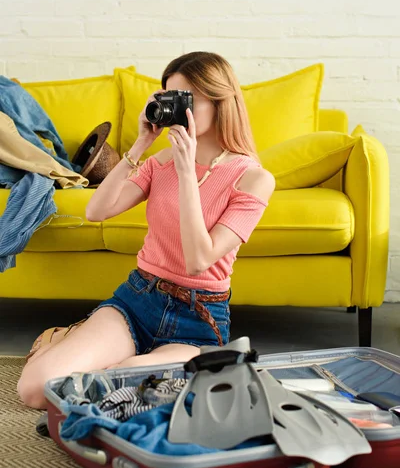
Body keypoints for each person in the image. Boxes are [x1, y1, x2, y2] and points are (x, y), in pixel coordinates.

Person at [17, 51, 275, 410]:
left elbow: (199, 259)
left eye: (186, 100)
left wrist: (188, 174)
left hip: (197, 319)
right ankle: (90, 354)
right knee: (34, 389)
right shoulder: (161, 161)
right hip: (137, 299)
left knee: (123, 380)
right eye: (169, 98)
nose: (175, 112)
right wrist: (141, 144)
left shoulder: (254, 179)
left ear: (220, 100)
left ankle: (121, 365)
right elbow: (96, 210)